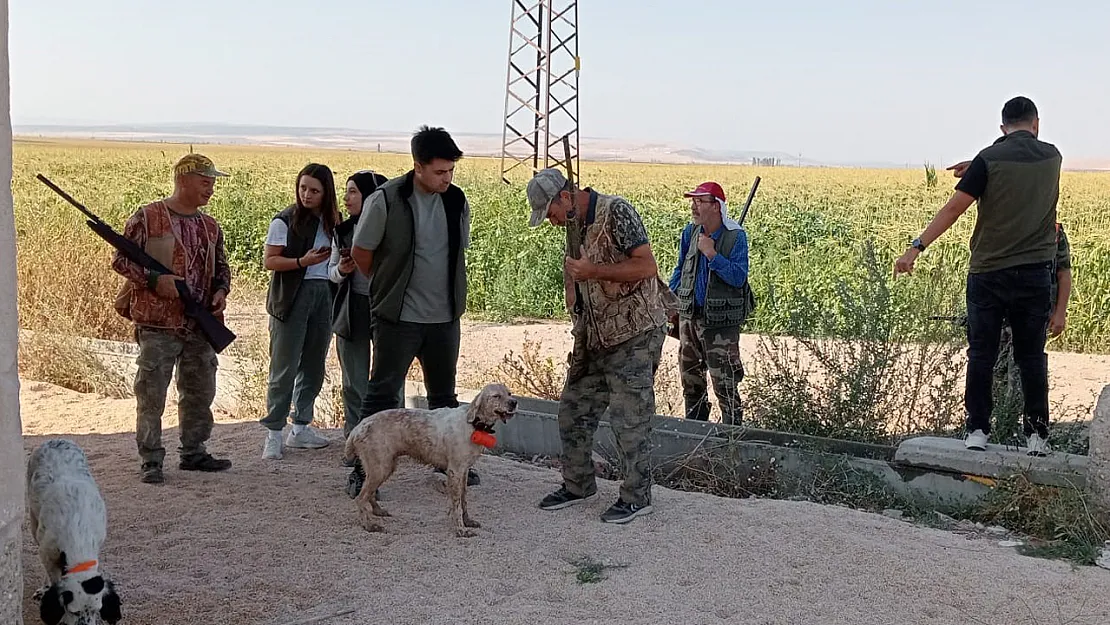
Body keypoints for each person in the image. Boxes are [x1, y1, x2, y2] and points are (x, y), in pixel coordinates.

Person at [895, 96, 1062, 457]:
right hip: (1035, 273)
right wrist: (979, 164)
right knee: (1031, 357)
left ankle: (977, 431)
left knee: (982, 354)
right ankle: (1037, 437)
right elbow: (1020, 159)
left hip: (989, 272)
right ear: (1036, 123)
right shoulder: (1053, 157)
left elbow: (955, 208)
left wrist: (915, 247)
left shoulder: (989, 158)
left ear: (1002, 127)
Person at [526, 167, 672, 524]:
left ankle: (637, 497)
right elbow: (575, 271)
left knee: (629, 418)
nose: (551, 222)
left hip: (634, 332)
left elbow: (647, 267)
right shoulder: (574, 224)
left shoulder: (616, 211)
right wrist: (574, 297)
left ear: (564, 197)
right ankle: (578, 485)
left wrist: (594, 273)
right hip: (593, 334)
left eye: (551, 213)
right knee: (573, 411)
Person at [350, 126, 480, 486]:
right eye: (439, 171)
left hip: (444, 317)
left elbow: (458, 251)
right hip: (398, 318)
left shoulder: (456, 200)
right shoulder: (387, 199)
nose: (446, 178)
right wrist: (386, 287)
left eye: (451, 170)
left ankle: (449, 466)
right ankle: (362, 472)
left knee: (444, 397)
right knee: (382, 393)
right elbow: (362, 252)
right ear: (417, 166)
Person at [110, 153, 234, 484]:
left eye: (212, 183)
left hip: (199, 322)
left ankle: (194, 452)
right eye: (205, 182)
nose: (210, 189)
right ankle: (151, 459)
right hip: (158, 323)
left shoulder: (210, 226)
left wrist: (221, 291)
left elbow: (221, 268)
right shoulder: (149, 217)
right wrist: (154, 280)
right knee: (151, 393)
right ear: (183, 180)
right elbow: (121, 261)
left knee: (200, 389)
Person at [329, 169, 403, 497]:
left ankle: (394, 442)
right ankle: (355, 444)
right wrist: (341, 270)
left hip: (387, 309)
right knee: (354, 382)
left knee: (389, 382)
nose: (346, 199)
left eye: (353, 192)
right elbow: (331, 273)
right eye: (346, 192)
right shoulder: (343, 230)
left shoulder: (393, 226)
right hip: (353, 308)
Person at [260, 163, 341, 459]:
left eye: (314, 190)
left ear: (325, 193)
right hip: (291, 297)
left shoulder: (333, 221)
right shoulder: (284, 220)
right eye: (303, 188)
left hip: (324, 294)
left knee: (314, 364)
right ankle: (273, 432)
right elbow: (270, 261)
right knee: (284, 367)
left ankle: (301, 426)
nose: (306, 195)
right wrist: (301, 262)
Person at [667, 181, 752, 425]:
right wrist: (671, 301)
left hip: (720, 327)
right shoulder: (689, 233)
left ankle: (731, 439)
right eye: (693, 201)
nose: (694, 206)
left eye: (700, 201)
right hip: (689, 320)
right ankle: (694, 434)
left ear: (716, 207)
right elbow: (681, 269)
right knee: (691, 384)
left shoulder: (735, 237)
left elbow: (738, 277)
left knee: (725, 385)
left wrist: (712, 254)